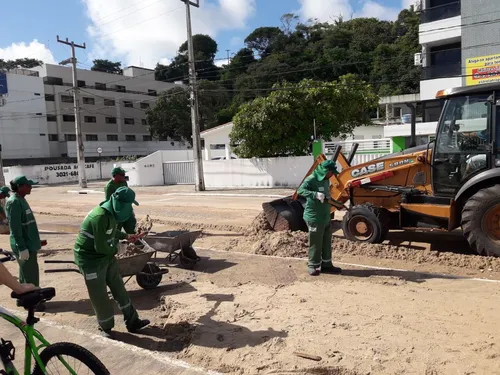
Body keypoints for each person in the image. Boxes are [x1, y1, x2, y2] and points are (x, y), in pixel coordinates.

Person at [74, 186, 149, 338]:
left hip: (105, 256)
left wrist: (126, 236)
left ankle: (133, 321)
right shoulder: (99, 216)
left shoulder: (111, 214)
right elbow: (100, 246)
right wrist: (118, 249)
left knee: (119, 287)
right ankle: (106, 327)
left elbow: (111, 231)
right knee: (99, 294)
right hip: (90, 259)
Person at [6, 176, 47, 305]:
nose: (30, 188)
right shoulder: (14, 202)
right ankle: (34, 302)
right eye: (28, 185)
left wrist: (37, 241)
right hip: (23, 245)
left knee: (25, 274)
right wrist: (22, 247)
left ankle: (22, 299)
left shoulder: (21, 200)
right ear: (19, 187)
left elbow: (27, 225)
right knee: (31, 275)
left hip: (29, 244)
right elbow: (15, 228)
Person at [297, 160, 342, 276]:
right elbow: (300, 190)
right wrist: (315, 194)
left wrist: (337, 204)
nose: (333, 175)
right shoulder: (311, 179)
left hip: (325, 216)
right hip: (314, 217)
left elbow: (327, 197)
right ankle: (313, 265)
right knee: (316, 243)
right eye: (331, 172)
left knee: (326, 242)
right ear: (325, 171)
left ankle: (327, 265)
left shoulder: (326, 181)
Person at [104, 167, 136, 235]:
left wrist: (131, 210)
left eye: (124, 174)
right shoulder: (109, 186)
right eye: (122, 175)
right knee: (116, 230)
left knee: (131, 226)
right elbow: (108, 201)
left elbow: (127, 195)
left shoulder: (124, 182)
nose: (124, 176)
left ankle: (134, 240)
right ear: (116, 175)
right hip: (117, 211)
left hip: (126, 208)